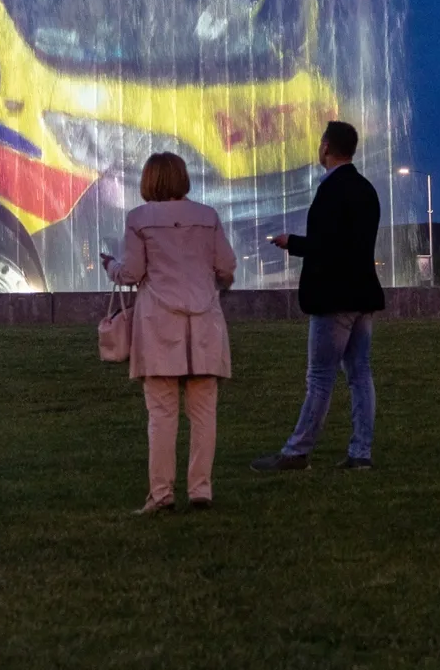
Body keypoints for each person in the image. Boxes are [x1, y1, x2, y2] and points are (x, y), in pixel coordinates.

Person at [100, 153, 236, 515]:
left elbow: (131, 273)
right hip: (205, 320)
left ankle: (161, 494)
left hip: (158, 322)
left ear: (149, 181)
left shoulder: (139, 219)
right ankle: (200, 489)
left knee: (161, 414)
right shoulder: (208, 217)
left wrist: (110, 266)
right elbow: (226, 266)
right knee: (204, 411)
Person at [251, 121, 386, 472]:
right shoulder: (366, 189)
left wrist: (291, 242)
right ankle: (361, 452)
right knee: (360, 374)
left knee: (320, 377)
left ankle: (297, 451)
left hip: (334, 298)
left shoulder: (331, 191)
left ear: (326, 147)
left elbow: (328, 246)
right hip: (362, 296)